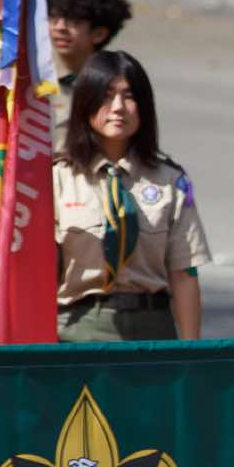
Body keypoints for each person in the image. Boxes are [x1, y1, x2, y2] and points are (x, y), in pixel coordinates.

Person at [51, 50, 208, 342]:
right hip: (77, 330)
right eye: (106, 96)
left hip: (152, 329)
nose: (118, 107)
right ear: (85, 102)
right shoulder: (59, 179)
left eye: (129, 96)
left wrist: (191, 354)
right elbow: (43, 274)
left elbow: (184, 275)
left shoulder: (170, 181)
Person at [45, 0, 132, 92]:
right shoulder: (30, 80)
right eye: (53, 18)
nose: (60, 27)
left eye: (73, 20)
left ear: (99, 34)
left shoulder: (115, 90)